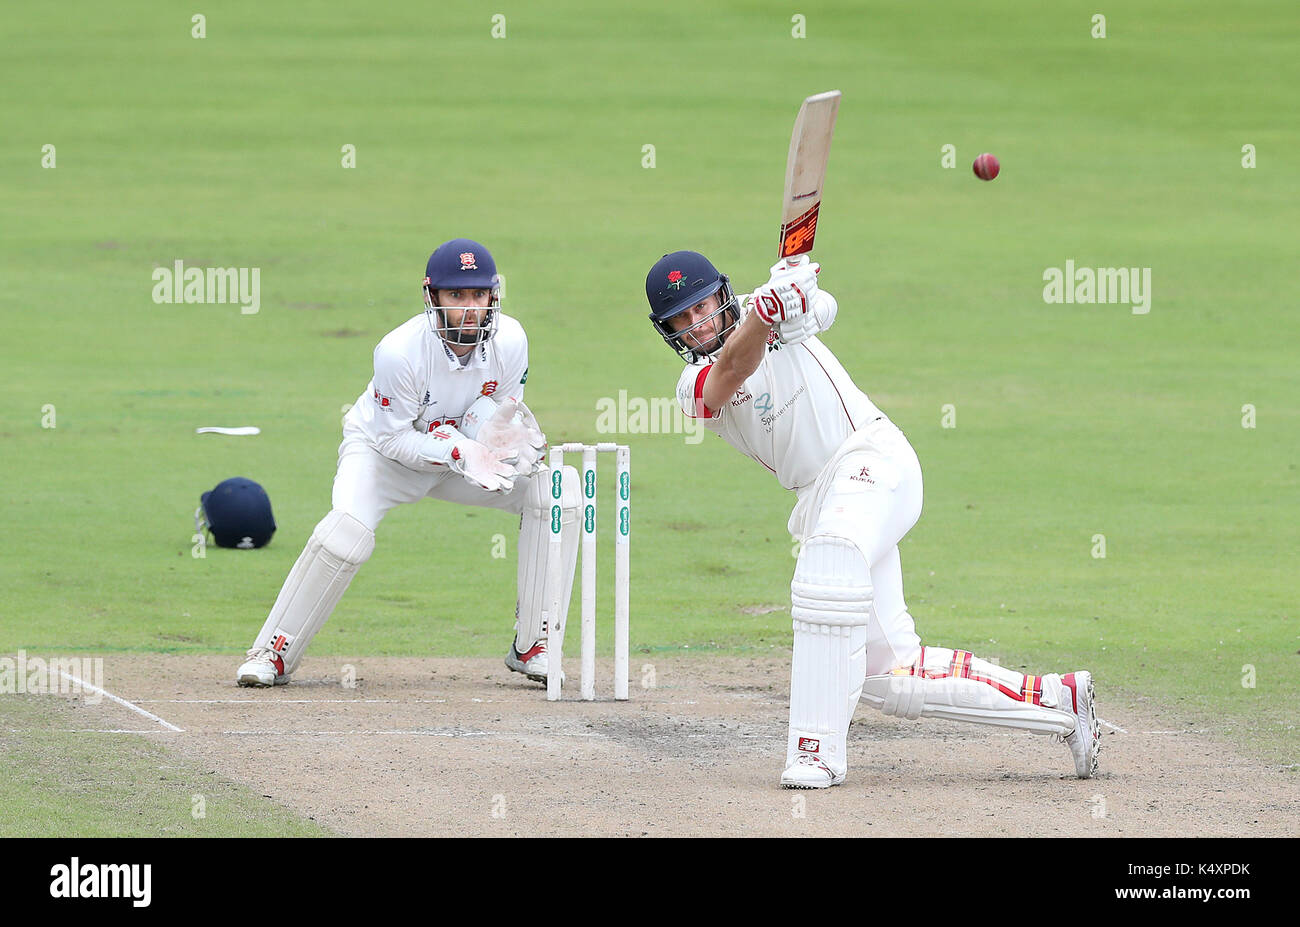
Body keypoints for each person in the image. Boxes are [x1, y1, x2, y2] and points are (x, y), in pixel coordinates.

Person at [645, 249, 1100, 788]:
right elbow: (731, 372)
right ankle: (1058, 699)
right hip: (822, 495)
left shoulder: (761, 308)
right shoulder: (693, 385)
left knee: (827, 562)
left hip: (869, 459)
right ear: (670, 332)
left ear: (722, 296)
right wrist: (766, 317)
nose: (698, 324)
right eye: (683, 320)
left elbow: (823, 309)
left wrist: (797, 296)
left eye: (703, 308)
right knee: (889, 676)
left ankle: (815, 752)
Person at [236, 238, 579, 688]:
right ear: (431, 295)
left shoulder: (511, 340)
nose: (469, 308)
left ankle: (534, 643)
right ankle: (273, 651)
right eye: (456, 296)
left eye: (478, 295)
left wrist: (503, 444)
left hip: (463, 460)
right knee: (347, 534)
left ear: (493, 295)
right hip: (384, 456)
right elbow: (393, 438)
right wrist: (456, 450)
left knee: (555, 493)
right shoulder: (399, 352)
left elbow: (496, 409)